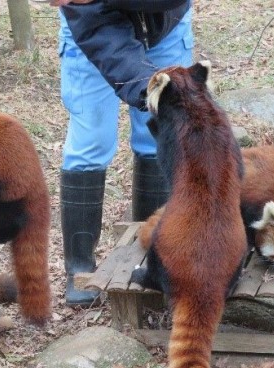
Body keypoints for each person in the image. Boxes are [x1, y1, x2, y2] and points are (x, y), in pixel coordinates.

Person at [50, 0, 194, 306]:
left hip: (165, 23)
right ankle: (80, 268)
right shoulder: (81, 10)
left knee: (156, 139)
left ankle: (153, 252)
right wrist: (149, 89)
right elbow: (103, 36)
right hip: (93, 38)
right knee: (91, 142)